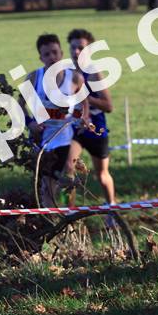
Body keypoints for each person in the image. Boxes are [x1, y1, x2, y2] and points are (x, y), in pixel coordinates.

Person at [19, 34, 90, 208]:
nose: (51, 57)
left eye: (54, 52)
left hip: (65, 136)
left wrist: (83, 118)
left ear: (61, 53)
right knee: (47, 184)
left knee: (66, 173)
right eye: (47, 54)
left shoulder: (74, 79)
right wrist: (30, 122)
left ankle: (70, 211)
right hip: (42, 138)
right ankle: (50, 219)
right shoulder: (34, 78)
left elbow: (84, 103)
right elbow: (20, 104)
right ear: (41, 58)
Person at [65, 29, 117, 220]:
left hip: (95, 130)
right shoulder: (67, 73)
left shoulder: (94, 74)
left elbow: (108, 106)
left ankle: (111, 210)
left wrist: (85, 96)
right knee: (67, 168)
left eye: (81, 48)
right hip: (75, 129)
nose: (76, 51)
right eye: (73, 47)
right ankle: (68, 214)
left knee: (101, 175)